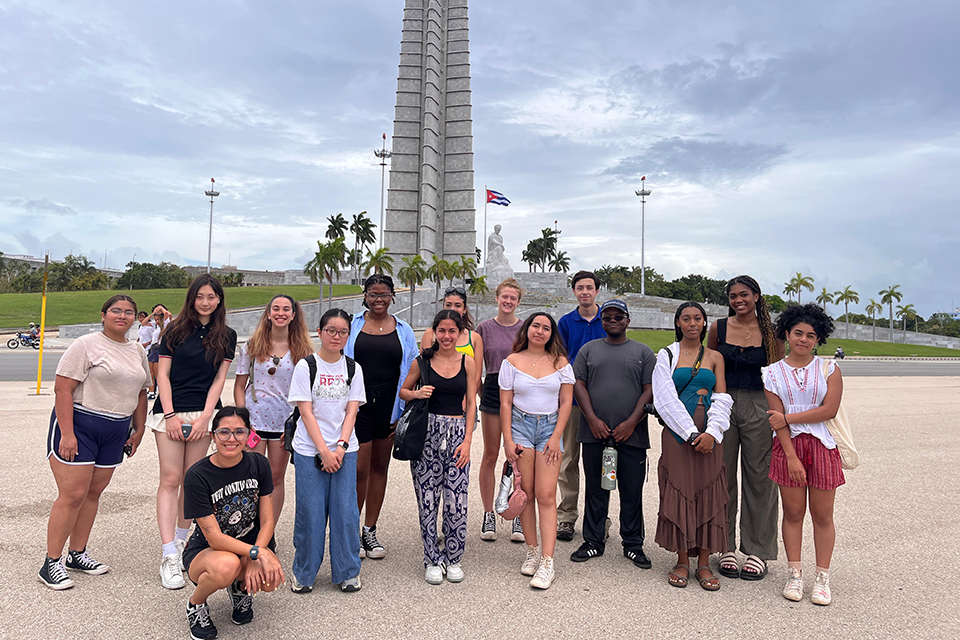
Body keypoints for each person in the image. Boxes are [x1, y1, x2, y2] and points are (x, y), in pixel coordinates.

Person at [39, 295, 151, 590]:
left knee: (93, 493)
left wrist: (138, 429)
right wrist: (67, 433)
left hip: (115, 429)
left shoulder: (137, 350)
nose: (122, 316)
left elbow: (142, 393)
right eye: (116, 310)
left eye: (128, 312)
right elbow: (63, 389)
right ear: (103, 315)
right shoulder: (86, 345)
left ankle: (78, 554)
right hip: (81, 425)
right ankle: (51, 562)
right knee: (73, 494)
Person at [151, 274, 237, 590]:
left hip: (205, 414)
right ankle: (167, 554)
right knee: (170, 479)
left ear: (219, 300)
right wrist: (171, 415)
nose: (205, 302)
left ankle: (184, 542)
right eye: (200, 296)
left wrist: (205, 419)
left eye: (211, 297)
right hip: (169, 412)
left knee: (192, 479)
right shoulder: (174, 330)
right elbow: (162, 375)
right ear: (192, 298)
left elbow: (219, 381)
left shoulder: (227, 335)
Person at [763, 304, 844, 606]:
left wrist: (788, 418)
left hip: (822, 445)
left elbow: (829, 410)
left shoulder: (829, 369)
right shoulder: (771, 373)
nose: (803, 340)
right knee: (793, 513)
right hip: (789, 448)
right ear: (787, 333)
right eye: (798, 333)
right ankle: (794, 573)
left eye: (811, 335)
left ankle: (822, 577)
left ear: (818, 339)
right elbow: (775, 417)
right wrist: (791, 455)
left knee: (823, 516)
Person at [706, 275, 784, 581]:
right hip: (724, 404)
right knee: (721, 474)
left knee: (760, 477)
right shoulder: (719, 328)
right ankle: (724, 545)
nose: (738, 300)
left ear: (756, 296)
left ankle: (758, 549)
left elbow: (777, 374)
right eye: (733, 296)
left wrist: (779, 414)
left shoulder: (772, 332)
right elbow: (709, 364)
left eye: (744, 295)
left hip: (760, 404)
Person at [652, 302, 734, 591]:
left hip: (710, 437)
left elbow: (722, 397)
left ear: (704, 322)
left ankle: (704, 561)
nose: (692, 323)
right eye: (685, 318)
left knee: (707, 490)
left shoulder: (715, 357)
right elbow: (663, 398)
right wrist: (689, 433)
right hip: (678, 436)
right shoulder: (667, 355)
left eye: (697, 318)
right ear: (677, 323)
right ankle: (682, 558)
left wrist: (712, 432)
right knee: (680, 489)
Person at [182, 406, 283, 640]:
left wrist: (257, 555)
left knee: (270, 579)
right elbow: (215, 538)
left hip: (249, 544)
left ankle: (239, 589)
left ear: (249, 435)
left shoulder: (259, 464)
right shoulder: (197, 476)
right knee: (227, 566)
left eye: (239, 432)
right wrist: (258, 553)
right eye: (224, 432)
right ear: (213, 436)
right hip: (209, 551)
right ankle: (196, 605)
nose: (231, 439)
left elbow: (268, 520)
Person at [570, 299, 656, 569]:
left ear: (628, 320)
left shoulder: (643, 352)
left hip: (632, 433)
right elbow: (579, 385)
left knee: (632, 490)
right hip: (595, 431)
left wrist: (632, 422)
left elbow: (650, 389)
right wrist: (592, 419)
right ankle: (593, 540)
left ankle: (632, 543)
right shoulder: (589, 350)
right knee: (596, 489)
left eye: (619, 317)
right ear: (602, 322)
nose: (613, 321)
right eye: (607, 317)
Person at [287, 309, 366, 594]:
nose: (336, 336)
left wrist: (340, 448)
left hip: (345, 450)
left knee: (346, 513)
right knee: (310, 514)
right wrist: (323, 451)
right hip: (310, 450)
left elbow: (352, 412)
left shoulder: (353, 369)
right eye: (330, 330)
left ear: (348, 335)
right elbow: (306, 413)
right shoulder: (306, 367)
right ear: (319, 332)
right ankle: (304, 572)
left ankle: (347, 570)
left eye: (342, 331)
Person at [399, 310, 477, 584]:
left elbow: (471, 404)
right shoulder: (423, 361)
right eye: (441, 331)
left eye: (451, 331)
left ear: (459, 333)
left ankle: (453, 556)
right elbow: (404, 391)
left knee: (457, 499)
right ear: (433, 332)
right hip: (427, 433)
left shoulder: (468, 362)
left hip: (457, 433)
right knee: (428, 498)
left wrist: (468, 441)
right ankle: (432, 557)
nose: (446, 336)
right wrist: (418, 392)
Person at [343, 274, 418, 560]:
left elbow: (412, 369)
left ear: (391, 297)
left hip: (389, 405)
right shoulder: (352, 325)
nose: (378, 299)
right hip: (357, 405)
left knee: (379, 468)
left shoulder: (404, 330)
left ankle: (369, 530)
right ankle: (351, 530)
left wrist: (403, 412)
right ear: (365, 296)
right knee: (358, 469)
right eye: (373, 294)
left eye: (384, 294)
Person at [498, 312, 573, 589]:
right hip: (521, 427)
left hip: (549, 430)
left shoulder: (561, 363)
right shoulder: (512, 362)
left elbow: (566, 403)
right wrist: (507, 440)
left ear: (551, 333)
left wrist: (556, 437)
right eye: (535, 326)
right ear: (527, 329)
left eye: (546, 328)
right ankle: (531, 550)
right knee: (526, 492)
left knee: (546, 494)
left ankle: (547, 561)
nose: (540, 331)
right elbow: (505, 404)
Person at [234, 294, 314, 523]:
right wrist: (243, 421)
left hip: (284, 423)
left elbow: (306, 393)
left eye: (286, 309)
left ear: (293, 315)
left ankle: (269, 531)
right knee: (250, 477)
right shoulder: (251, 347)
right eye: (276, 308)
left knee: (276, 478)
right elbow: (240, 386)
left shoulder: (304, 351)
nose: (281, 313)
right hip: (254, 423)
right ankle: (249, 528)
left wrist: (297, 422)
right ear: (268, 314)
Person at [556, 270, 607, 542]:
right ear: (574, 292)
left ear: (597, 290)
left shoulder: (607, 319)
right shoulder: (566, 322)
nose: (585, 292)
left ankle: (602, 517)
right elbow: (560, 359)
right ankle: (566, 516)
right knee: (569, 460)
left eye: (589, 287)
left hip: (604, 401)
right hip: (574, 400)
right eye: (580, 288)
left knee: (601, 460)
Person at [475, 278, 525, 542]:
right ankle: (488, 513)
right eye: (504, 297)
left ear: (518, 302)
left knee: (520, 455)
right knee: (491, 454)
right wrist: (483, 394)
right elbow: (477, 365)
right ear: (497, 298)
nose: (508, 302)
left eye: (513, 298)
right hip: (494, 387)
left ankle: (517, 512)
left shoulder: (524, 328)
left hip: (521, 390)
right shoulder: (485, 328)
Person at [420, 285, 484, 402]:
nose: (452, 309)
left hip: (463, 401)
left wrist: (467, 400)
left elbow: (477, 376)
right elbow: (422, 370)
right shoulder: (430, 334)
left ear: (465, 309)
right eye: (448, 305)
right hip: (434, 401)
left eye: (458, 305)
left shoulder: (474, 338)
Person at [148, 304, 173, 400]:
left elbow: (168, 314)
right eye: (156, 320)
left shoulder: (166, 325)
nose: (157, 322)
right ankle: (151, 391)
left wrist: (160, 308)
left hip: (159, 348)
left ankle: (161, 391)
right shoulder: (156, 328)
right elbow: (144, 322)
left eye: (158, 320)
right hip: (153, 348)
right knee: (151, 372)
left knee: (159, 373)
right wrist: (154, 313)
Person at [137, 312, 156, 398]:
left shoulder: (151, 325)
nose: (141, 319)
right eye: (139, 317)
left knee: (150, 371)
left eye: (142, 317)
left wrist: (147, 343)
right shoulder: (141, 327)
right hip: (141, 348)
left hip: (148, 348)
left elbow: (153, 338)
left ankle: (152, 390)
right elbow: (139, 337)